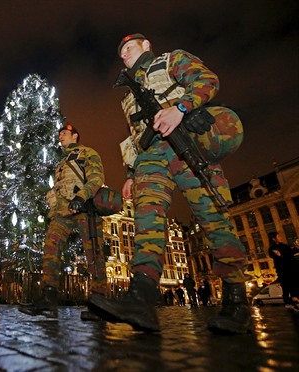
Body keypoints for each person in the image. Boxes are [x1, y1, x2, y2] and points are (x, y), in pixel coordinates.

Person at [88, 33, 250, 334]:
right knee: (146, 218)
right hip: (150, 156)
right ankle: (142, 296)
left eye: (129, 48)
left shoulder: (170, 60)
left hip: (187, 143)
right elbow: (135, 135)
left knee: (212, 217)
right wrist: (131, 173)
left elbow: (207, 80)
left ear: (146, 45)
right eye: (120, 52)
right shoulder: (127, 95)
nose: (124, 55)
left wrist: (181, 108)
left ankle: (237, 299)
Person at [19, 123, 114, 320]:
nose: (60, 135)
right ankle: (48, 299)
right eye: (60, 133)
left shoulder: (87, 153)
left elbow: (97, 178)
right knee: (50, 249)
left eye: (65, 133)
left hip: (86, 208)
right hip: (62, 212)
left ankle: (99, 302)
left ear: (75, 136)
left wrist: (82, 197)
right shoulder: (61, 162)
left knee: (94, 253)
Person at [268, 232, 299, 310]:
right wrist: (284, 255)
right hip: (284, 270)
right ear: (274, 239)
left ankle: (294, 300)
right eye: (278, 236)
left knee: (294, 285)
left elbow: (290, 253)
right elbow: (281, 257)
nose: (280, 237)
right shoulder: (272, 249)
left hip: (293, 268)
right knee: (286, 287)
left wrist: (296, 248)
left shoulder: (284, 246)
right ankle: (289, 302)